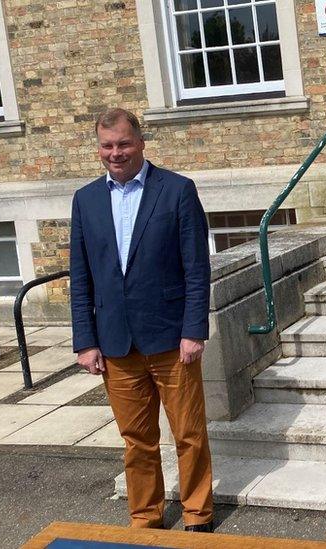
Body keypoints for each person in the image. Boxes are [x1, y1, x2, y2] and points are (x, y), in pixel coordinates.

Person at [69, 108, 214, 532]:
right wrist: (85, 341)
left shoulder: (177, 190)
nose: (116, 153)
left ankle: (197, 513)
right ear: (99, 148)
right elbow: (82, 277)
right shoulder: (86, 199)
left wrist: (193, 331)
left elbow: (196, 268)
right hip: (115, 343)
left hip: (172, 339)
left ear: (141, 143)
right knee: (136, 440)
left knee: (188, 434)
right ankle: (146, 517)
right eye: (107, 146)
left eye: (123, 144)